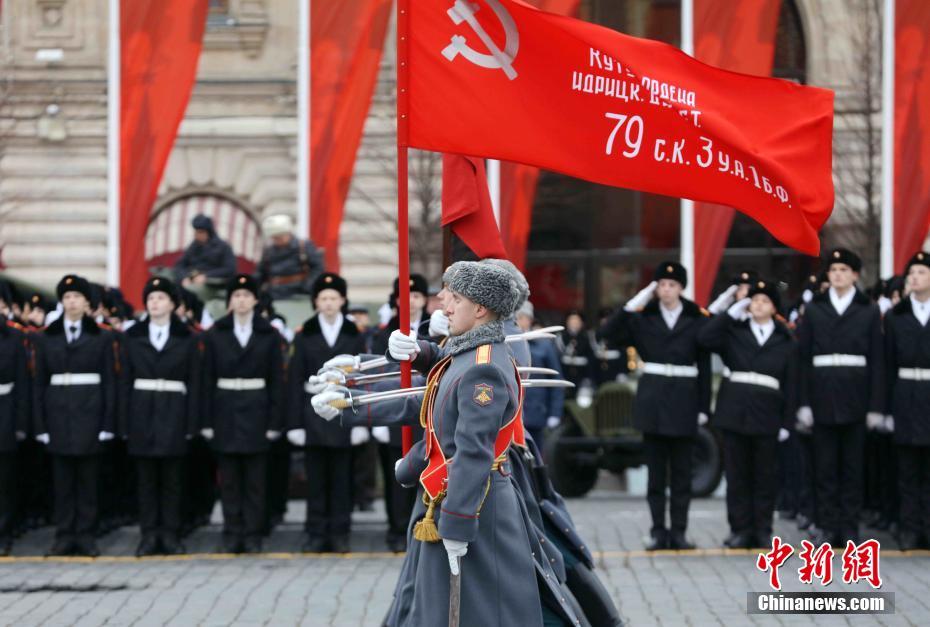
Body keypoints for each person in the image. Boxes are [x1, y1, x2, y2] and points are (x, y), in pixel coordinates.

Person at [386, 261, 545, 626]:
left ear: (480, 309)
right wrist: (415, 351)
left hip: (475, 501)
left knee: (483, 611)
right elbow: (440, 379)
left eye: (454, 297)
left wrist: (457, 524)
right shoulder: (469, 352)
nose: (444, 305)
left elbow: (474, 452)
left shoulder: (483, 366)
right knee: (438, 605)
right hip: (456, 493)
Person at [598, 262, 711, 550]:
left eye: (671, 285)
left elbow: (705, 365)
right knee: (657, 474)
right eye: (661, 284)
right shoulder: (644, 318)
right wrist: (636, 301)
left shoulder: (696, 318)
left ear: (681, 288)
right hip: (654, 400)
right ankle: (658, 531)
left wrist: (703, 407)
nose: (666, 290)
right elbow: (608, 333)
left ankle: (680, 532)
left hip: (685, 398)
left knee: (682, 473)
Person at [698, 280, 797, 548]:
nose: (758, 305)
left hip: (767, 414)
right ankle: (739, 529)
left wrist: (787, 422)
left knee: (765, 476)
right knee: (737, 475)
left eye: (764, 301)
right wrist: (731, 312)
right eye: (754, 301)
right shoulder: (734, 331)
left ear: (774, 307)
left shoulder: (784, 338)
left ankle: (763, 530)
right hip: (735, 412)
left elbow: (792, 383)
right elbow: (705, 338)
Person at [796, 248, 884, 547]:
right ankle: (827, 526)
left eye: (844, 270)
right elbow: (803, 359)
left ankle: (849, 529)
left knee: (852, 469)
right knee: (825, 469)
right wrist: (804, 403)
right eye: (833, 270)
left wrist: (875, 406)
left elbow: (877, 361)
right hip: (821, 397)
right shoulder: (816, 308)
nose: (837, 275)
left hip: (856, 398)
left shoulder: (868, 310)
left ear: (855, 275)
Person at [33, 275, 117, 557]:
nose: (72, 302)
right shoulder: (46, 337)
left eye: (77, 297)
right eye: (67, 297)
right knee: (62, 481)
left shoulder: (102, 336)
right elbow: (39, 383)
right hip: (58, 413)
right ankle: (64, 534)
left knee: (88, 480)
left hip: (90, 413)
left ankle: (86, 535)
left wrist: (108, 423)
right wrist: (40, 424)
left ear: (86, 303)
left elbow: (109, 382)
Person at [201, 274, 284, 553]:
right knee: (229, 479)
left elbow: (276, 381)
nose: (241, 300)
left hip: (257, 408)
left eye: (246, 295)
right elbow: (206, 379)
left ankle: (252, 533)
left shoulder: (268, 334)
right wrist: (207, 420)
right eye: (236, 295)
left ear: (255, 300)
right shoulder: (215, 333)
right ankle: (231, 531)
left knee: (255, 479)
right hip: (225, 408)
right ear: (229, 302)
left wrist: (275, 420)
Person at [120, 277, 201, 556]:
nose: (155, 303)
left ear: (172, 304)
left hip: (173, 409)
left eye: (160, 298)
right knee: (145, 480)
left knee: (172, 480)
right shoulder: (132, 336)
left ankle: (170, 534)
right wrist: (124, 421)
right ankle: (148, 535)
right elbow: (124, 381)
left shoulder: (186, 336)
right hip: (142, 409)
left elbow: (194, 381)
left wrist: (192, 423)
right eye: (150, 299)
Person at [285, 272, 364, 553]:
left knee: (342, 476)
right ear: (315, 302)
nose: (329, 303)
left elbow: (362, 379)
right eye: (323, 298)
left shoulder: (354, 333)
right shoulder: (305, 332)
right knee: (315, 476)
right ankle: (316, 531)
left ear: (343, 300)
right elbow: (295, 379)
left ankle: (340, 531)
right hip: (313, 411)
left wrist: (361, 421)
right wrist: (294, 423)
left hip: (343, 409)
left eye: (334, 298)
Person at [884, 252, 930, 550]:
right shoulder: (896, 315)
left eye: (921, 272)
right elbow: (886, 364)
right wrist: (885, 409)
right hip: (905, 395)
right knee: (907, 469)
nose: (914, 277)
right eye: (911, 272)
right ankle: (910, 529)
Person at [516, 301, 565, 445]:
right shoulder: (507, 342)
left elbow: (556, 379)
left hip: (536, 412)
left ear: (529, 320)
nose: (517, 321)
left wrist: (555, 413)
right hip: (513, 413)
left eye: (521, 317)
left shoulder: (543, 345)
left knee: (536, 457)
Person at [0, 312, 29, 555]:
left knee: (4, 480)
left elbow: (23, 381)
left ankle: (3, 532)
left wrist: (21, 422)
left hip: (4, 409)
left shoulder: (13, 336)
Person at [255, 214, 324, 300]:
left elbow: (318, 268)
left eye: (279, 237)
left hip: (299, 294)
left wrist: (308, 286)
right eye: (274, 238)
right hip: (274, 294)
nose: (277, 240)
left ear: (288, 233)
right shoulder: (268, 251)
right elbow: (261, 273)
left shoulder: (303, 246)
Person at [173, 214, 237, 289]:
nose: (196, 235)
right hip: (192, 281)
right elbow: (180, 265)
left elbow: (229, 269)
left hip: (213, 285)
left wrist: (207, 275)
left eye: (200, 232)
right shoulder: (193, 246)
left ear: (209, 232)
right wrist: (184, 277)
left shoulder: (223, 247)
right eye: (196, 232)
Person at [558, 310, 596, 397]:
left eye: (576, 321)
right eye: (571, 321)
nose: (574, 323)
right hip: (565, 378)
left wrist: (588, 379)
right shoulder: (561, 338)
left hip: (582, 378)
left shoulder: (587, 338)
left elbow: (591, 360)